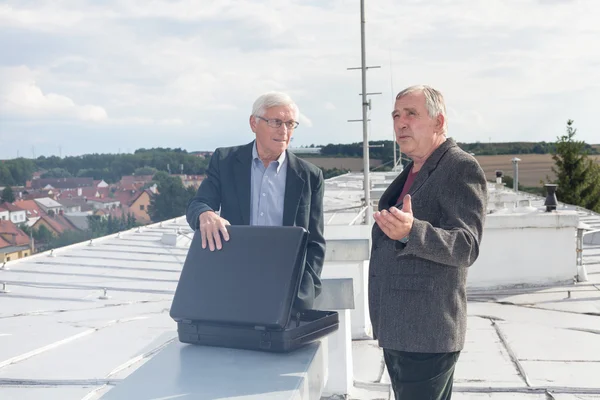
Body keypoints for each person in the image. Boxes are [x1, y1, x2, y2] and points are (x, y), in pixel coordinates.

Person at [368, 85, 488, 399]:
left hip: (427, 332)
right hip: (401, 329)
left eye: (411, 114)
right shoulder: (414, 168)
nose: (400, 122)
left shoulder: (459, 167)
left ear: (438, 122)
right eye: (396, 115)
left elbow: (466, 245)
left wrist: (411, 231)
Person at [186, 91, 325, 310]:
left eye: (290, 124)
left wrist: (305, 293)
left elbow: (315, 243)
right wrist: (206, 214)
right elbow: (198, 204)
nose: (284, 131)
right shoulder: (225, 161)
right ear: (253, 123)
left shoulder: (310, 176)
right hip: (234, 285)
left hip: (287, 291)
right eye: (276, 122)